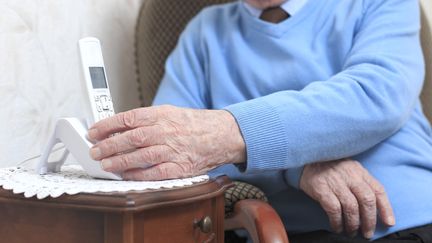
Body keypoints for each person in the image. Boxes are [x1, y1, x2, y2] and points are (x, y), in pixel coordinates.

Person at [87, 0, 432, 241]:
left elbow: (375, 96)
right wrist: (296, 167)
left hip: (408, 221)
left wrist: (228, 134)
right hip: (278, 231)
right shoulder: (203, 32)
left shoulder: (380, 1)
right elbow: (171, 160)